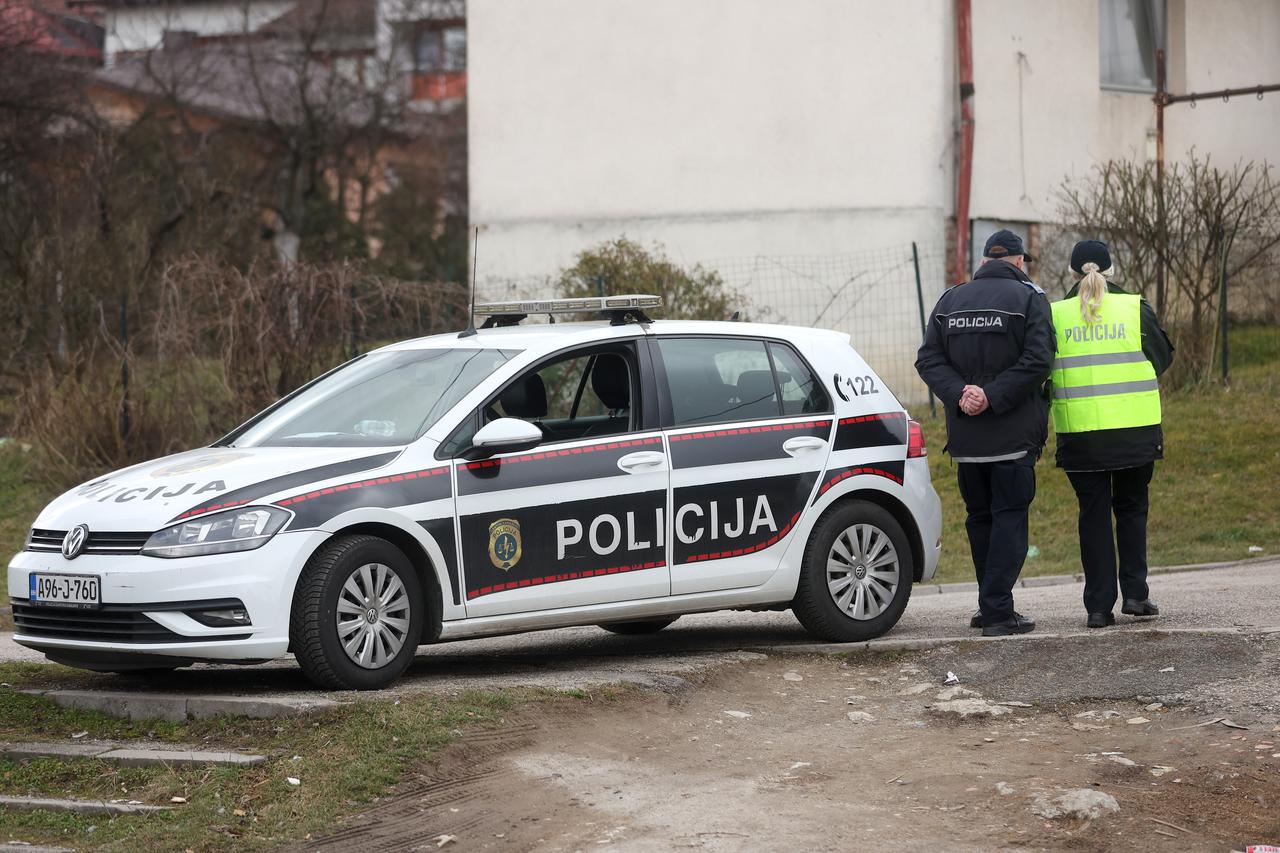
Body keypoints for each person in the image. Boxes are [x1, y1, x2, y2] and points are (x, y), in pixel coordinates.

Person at [916, 229, 1055, 636]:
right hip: (1012, 438)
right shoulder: (1031, 299)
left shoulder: (949, 301)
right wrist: (990, 396)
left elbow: (928, 359)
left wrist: (962, 394)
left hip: (967, 439)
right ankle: (997, 610)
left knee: (980, 519)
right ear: (1018, 262)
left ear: (983, 262)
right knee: (1009, 520)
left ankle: (989, 603)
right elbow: (1038, 361)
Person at [1050, 240, 1174, 628]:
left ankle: (1098, 608)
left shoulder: (1054, 315)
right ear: (1112, 270)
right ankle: (1136, 595)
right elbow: (1163, 357)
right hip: (1134, 432)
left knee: (1094, 515)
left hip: (1081, 436)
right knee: (1132, 508)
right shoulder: (1134, 308)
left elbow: (1039, 369)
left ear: (1073, 273)